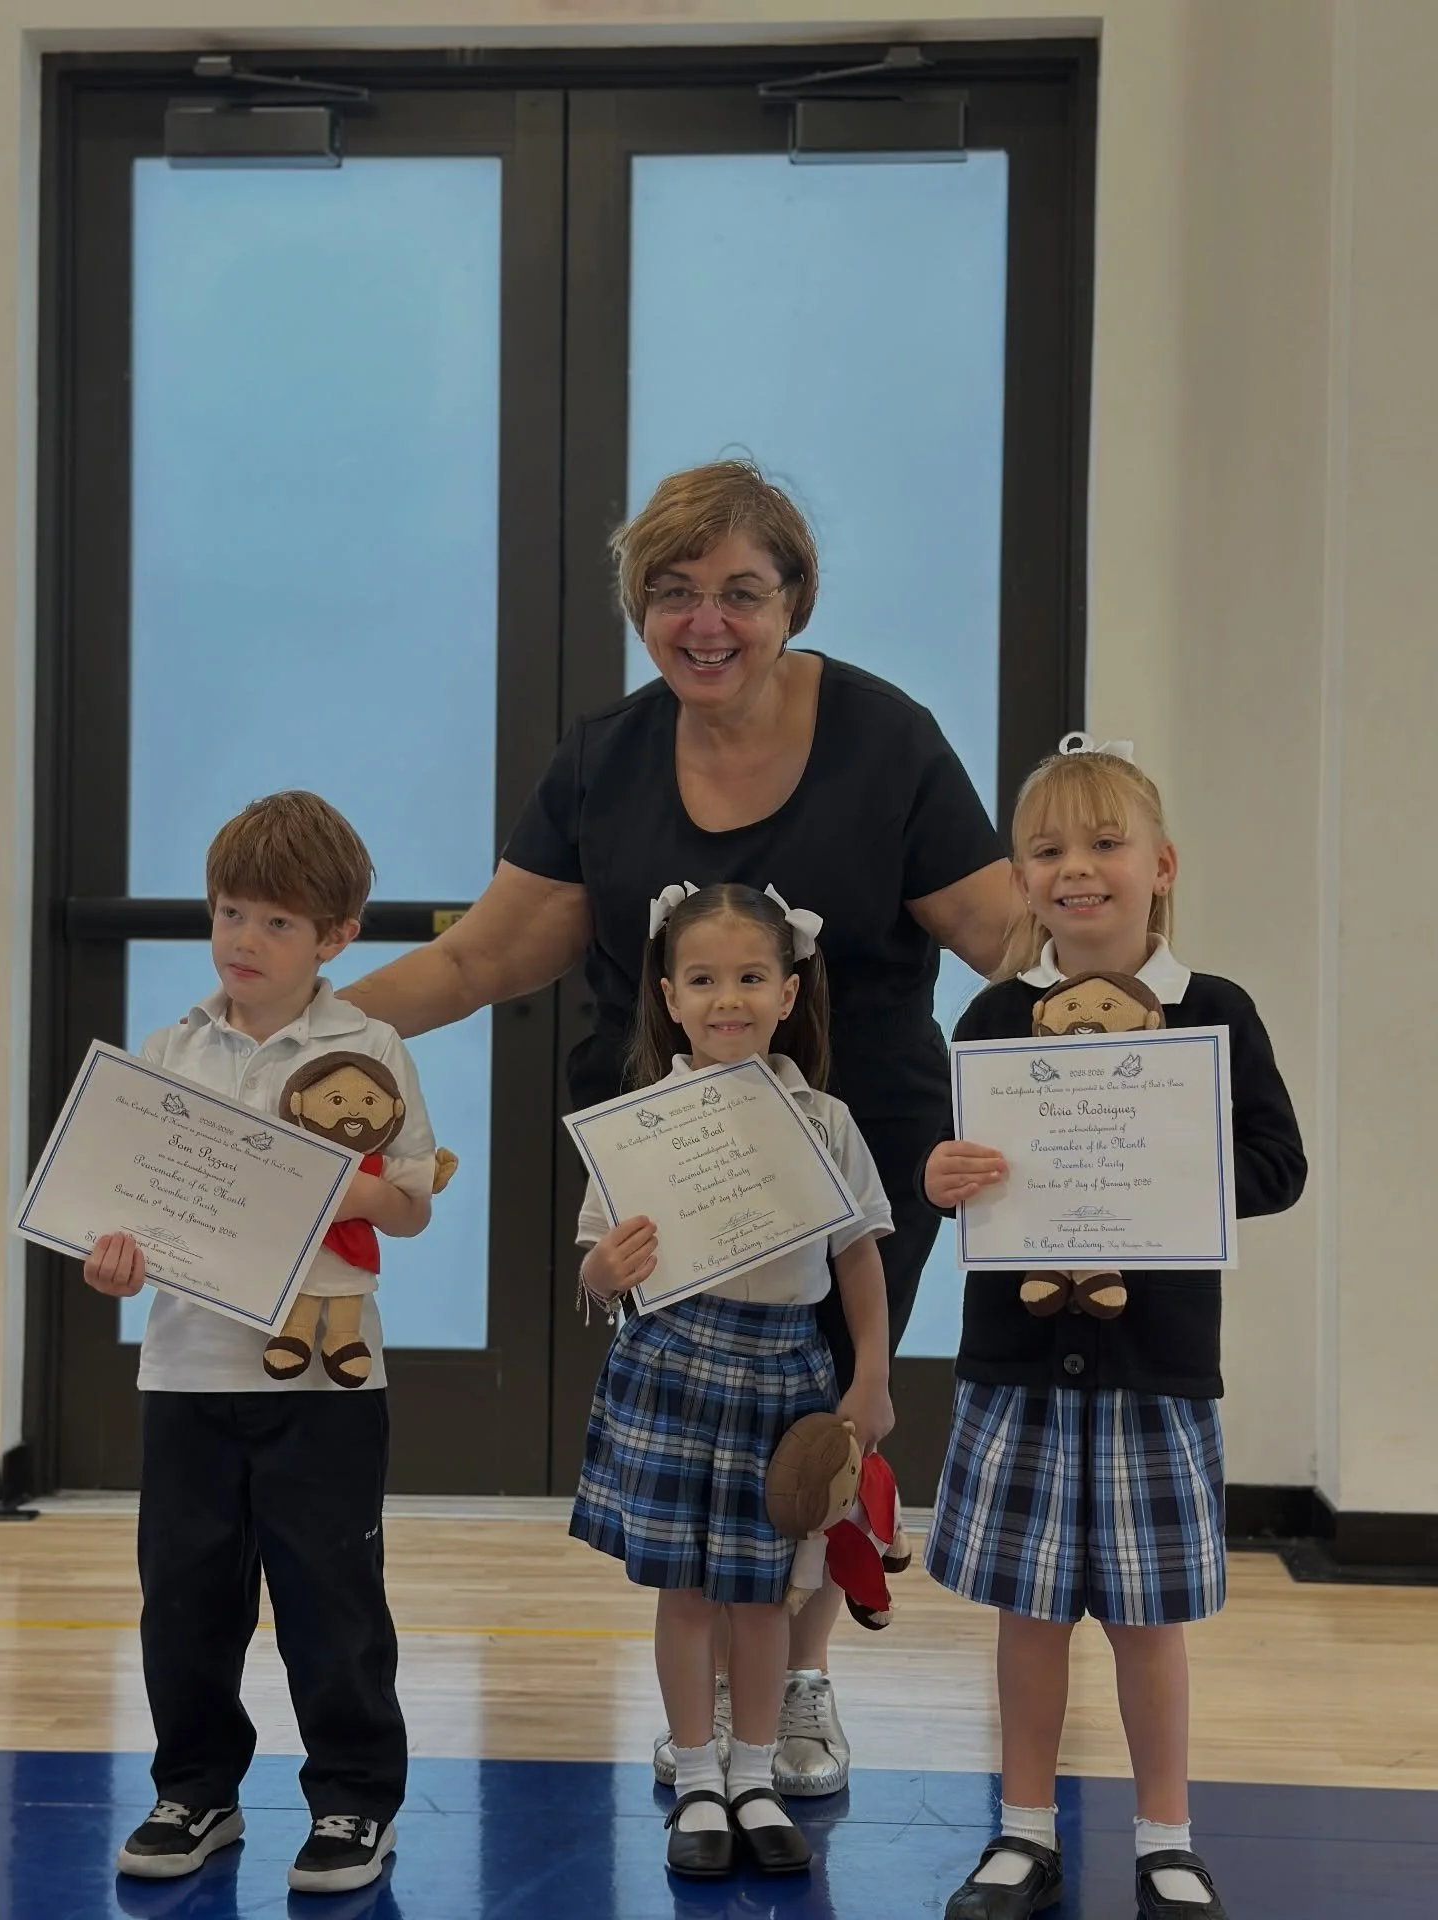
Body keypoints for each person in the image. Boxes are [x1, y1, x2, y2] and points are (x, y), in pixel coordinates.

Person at [339, 460, 1015, 1792]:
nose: (707, 622)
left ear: (795, 600)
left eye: (741, 592)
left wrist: (1146, 1016)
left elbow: (1011, 942)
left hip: (856, 1148)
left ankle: (797, 1688)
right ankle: (714, 1705)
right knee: (707, 1438)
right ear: (639, 608)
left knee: (817, 1432)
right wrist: (302, 1029)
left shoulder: (889, 740)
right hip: (670, 1170)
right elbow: (479, 959)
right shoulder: (605, 758)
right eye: (674, 592)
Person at [921, 738, 1307, 1920]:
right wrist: (940, 1175)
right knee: (1028, 1615)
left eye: (1104, 844)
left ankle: (1166, 1838)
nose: (1076, 868)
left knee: (1149, 1622)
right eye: (1047, 851)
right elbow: (960, 1166)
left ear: (1162, 866)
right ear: (1021, 881)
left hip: (1157, 1374)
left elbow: (1279, 1165)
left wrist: (1173, 1165)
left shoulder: (1215, 1012)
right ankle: (1023, 1830)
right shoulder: (992, 1016)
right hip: (1019, 1368)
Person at [81, 792, 436, 1897]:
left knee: (333, 1601)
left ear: (336, 937)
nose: (245, 938)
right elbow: (127, 1210)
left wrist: (333, 1181)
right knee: (184, 1599)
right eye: (231, 912)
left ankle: (353, 1802)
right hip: (186, 1371)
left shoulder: (369, 1048)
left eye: (278, 922)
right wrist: (114, 1261)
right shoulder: (169, 1050)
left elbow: (412, 1205)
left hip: (328, 1383)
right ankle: (195, 1790)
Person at [571, 882, 892, 1878]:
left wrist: (872, 1378)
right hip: (671, 1368)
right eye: (703, 980)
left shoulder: (826, 1122)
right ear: (669, 997)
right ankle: (699, 1781)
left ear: (788, 994)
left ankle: (755, 1778)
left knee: (763, 1596)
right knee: (685, 1594)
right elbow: (596, 1265)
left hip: (785, 1372)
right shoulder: (639, 1127)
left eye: (752, 977)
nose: (728, 999)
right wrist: (603, 1271)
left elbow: (858, 1257)